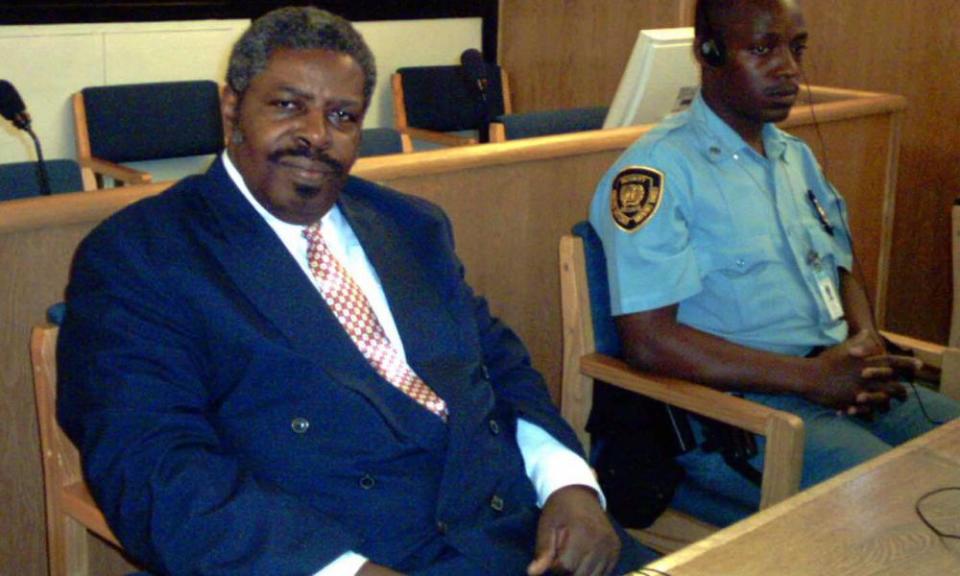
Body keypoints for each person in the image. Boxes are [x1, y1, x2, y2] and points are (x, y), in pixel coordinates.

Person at [57, 7, 651, 576]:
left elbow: (497, 363)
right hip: (340, 550)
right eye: (289, 106)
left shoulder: (409, 225)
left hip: (516, 531)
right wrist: (342, 571)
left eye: (343, 117)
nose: (317, 137)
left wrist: (570, 485)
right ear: (232, 108)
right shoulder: (143, 255)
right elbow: (152, 466)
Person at [589, 0, 959, 528]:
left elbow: (839, 267)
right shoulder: (656, 173)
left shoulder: (794, 156)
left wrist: (865, 340)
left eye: (796, 48)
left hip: (833, 378)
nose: (789, 68)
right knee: (920, 505)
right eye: (763, 49)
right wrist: (812, 379)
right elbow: (649, 341)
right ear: (709, 53)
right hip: (740, 414)